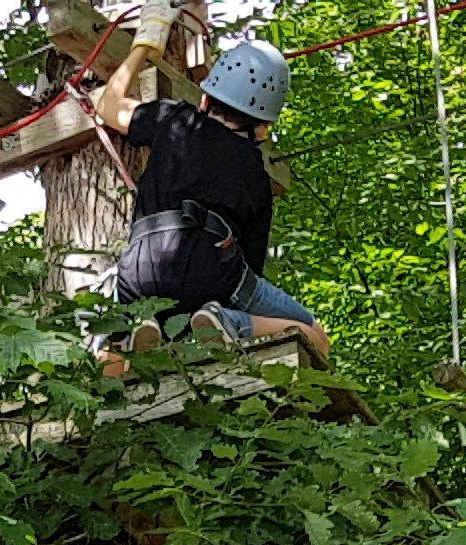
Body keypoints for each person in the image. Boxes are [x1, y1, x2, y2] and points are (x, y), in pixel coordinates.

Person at [88, 28, 328, 368]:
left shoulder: (174, 121)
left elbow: (108, 105)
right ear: (262, 128)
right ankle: (229, 323)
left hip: (140, 272)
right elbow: (251, 269)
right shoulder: (256, 176)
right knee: (313, 334)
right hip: (212, 278)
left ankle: (127, 339)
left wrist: (144, 44)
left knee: (111, 339)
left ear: (206, 99)